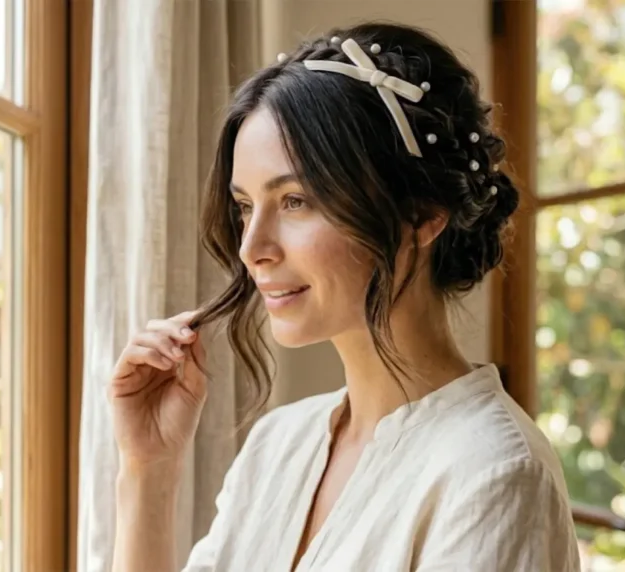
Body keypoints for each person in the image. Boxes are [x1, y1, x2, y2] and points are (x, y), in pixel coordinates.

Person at [109, 22, 581, 572]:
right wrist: (148, 471)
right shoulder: (277, 445)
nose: (251, 248)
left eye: (295, 201)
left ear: (421, 215)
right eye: (244, 207)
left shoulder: (493, 472)